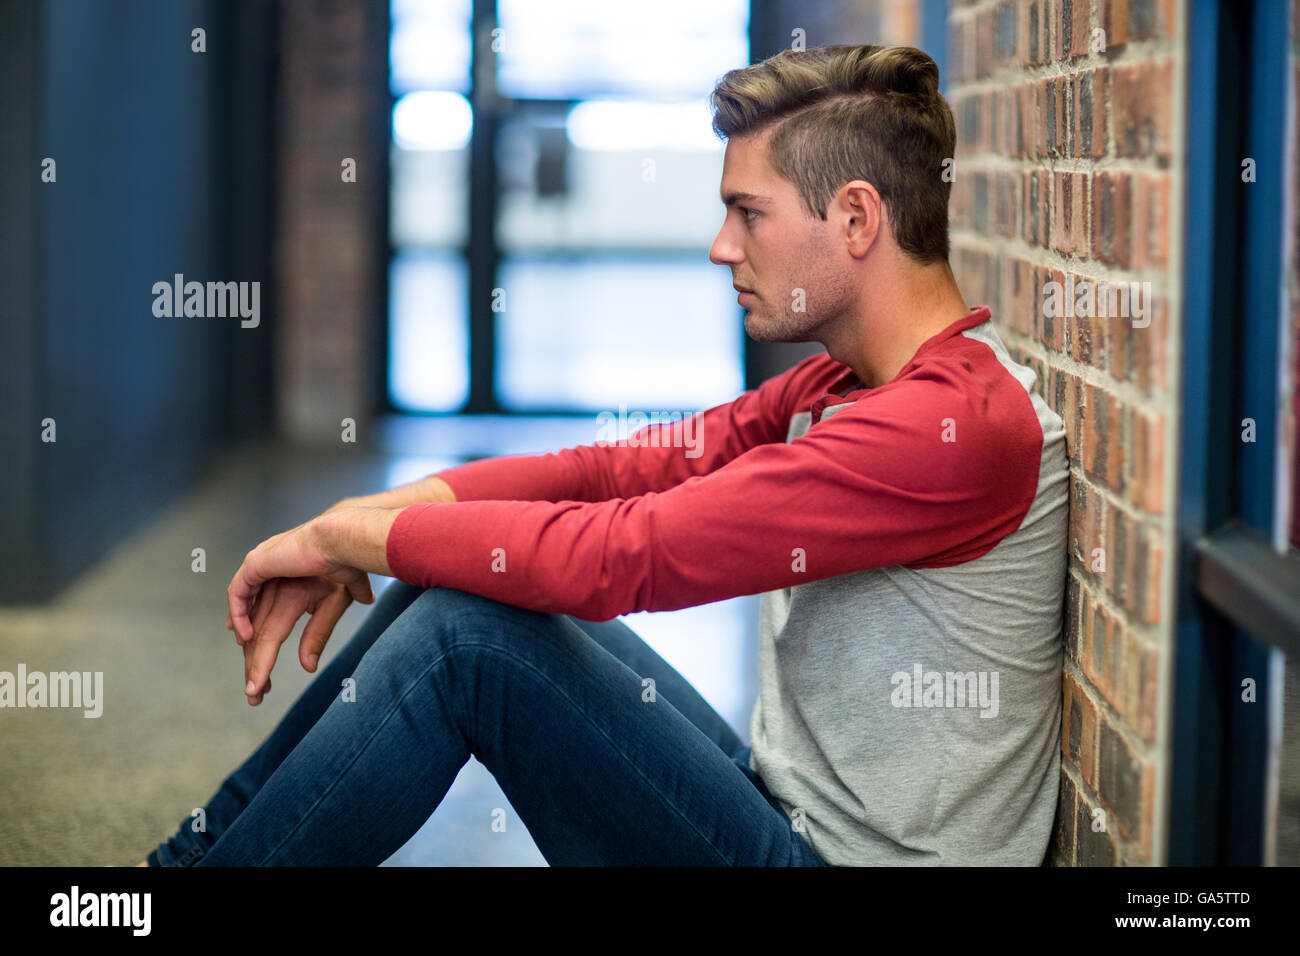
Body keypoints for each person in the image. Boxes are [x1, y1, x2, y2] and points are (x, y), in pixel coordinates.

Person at [141, 43, 1068, 867]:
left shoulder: (950, 428)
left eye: (749, 213)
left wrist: (358, 543)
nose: (721, 247)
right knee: (466, 575)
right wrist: (366, 521)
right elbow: (620, 472)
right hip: (782, 807)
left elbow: (629, 553)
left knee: (469, 639)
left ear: (857, 219)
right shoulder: (841, 386)